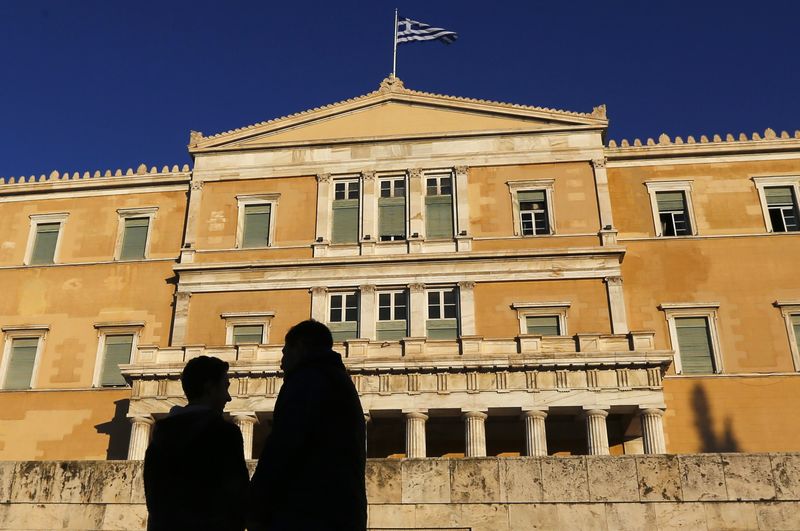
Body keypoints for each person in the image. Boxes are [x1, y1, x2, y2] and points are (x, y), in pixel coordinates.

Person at [249, 320, 367, 531]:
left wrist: (257, 507)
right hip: (342, 510)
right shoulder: (339, 381)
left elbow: (283, 446)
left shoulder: (306, 380)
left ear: (300, 347)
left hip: (305, 510)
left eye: (285, 353)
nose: (281, 363)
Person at [144, 355, 249, 531]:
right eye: (225, 387)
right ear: (209, 388)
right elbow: (236, 496)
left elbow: (154, 500)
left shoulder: (161, 435)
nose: (228, 397)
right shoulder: (224, 434)